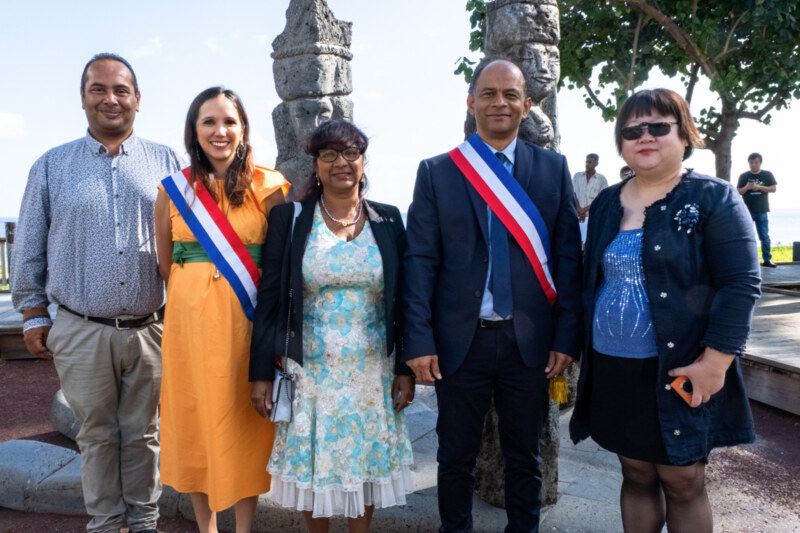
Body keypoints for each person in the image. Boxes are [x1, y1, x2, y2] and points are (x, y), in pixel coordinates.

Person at [569, 88, 761, 533]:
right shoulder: (605, 204)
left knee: (682, 479)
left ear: (684, 134)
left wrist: (715, 363)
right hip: (615, 366)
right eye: (633, 130)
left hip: (680, 367)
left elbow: (740, 284)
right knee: (635, 472)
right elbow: (588, 279)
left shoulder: (715, 198)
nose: (645, 137)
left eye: (658, 127)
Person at [403, 59, 582, 533]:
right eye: (487, 93)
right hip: (461, 343)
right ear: (471, 102)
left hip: (531, 344)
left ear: (526, 105)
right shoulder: (437, 172)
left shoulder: (553, 169)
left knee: (525, 455)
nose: (498, 102)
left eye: (509, 94)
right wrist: (417, 342)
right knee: (454, 456)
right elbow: (420, 262)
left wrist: (567, 337)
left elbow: (568, 260)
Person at [11, 53, 183, 533]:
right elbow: (28, 244)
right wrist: (32, 314)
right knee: (97, 435)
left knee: (145, 435)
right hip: (81, 328)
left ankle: (144, 521)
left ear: (137, 99)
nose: (111, 99)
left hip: (151, 328)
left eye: (121, 90)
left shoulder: (167, 162)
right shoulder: (50, 166)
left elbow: (192, 240)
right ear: (83, 97)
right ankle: (106, 524)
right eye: (98, 89)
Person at [249, 119, 414, 533]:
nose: (342, 162)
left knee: (365, 466)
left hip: (372, 371)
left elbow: (407, 298)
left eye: (351, 153)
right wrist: (259, 375)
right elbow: (269, 299)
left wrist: (405, 369)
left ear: (363, 160)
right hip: (312, 373)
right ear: (316, 165)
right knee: (316, 469)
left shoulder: (389, 221)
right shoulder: (291, 219)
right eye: (329, 154)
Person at [155, 87, 288, 533]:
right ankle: (206, 528)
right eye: (209, 121)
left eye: (229, 121)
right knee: (193, 421)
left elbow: (282, 264)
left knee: (244, 427)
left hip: (244, 328)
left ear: (243, 128)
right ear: (194, 130)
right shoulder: (172, 190)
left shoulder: (268, 187)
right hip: (188, 330)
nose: (220, 130)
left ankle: (244, 529)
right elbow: (164, 262)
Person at [736, 152, 778, 267]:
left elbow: (773, 189)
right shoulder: (744, 176)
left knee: (764, 236)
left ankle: (767, 260)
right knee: (746, 237)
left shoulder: (767, 175)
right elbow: (738, 192)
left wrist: (759, 187)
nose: (754, 165)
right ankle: (747, 261)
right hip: (746, 212)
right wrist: (747, 187)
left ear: (760, 163)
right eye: (751, 163)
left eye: (756, 162)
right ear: (748, 163)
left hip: (762, 210)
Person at [572, 153, 608, 242]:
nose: (587, 164)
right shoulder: (577, 176)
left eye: (590, 162)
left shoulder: (602, 179)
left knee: (589, 242)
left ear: (596, 164)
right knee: (576, 242)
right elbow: (573, 193)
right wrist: (579, 209)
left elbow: (602, 199)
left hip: (593, 217)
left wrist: (584, 210)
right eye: (587, 162)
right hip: (577, 216)